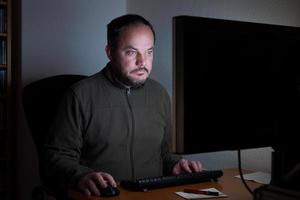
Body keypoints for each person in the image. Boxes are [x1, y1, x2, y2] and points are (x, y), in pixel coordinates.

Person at [43, 14, 203, 197]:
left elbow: (165, 152)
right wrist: (81, 176)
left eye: (149, 52)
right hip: (103, 196)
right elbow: (55, 156)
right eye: (131, 52)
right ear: (110, 52)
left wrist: (177, 163)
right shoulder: (79, 95)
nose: (142, 62)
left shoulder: (160, 95)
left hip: (154, 195)